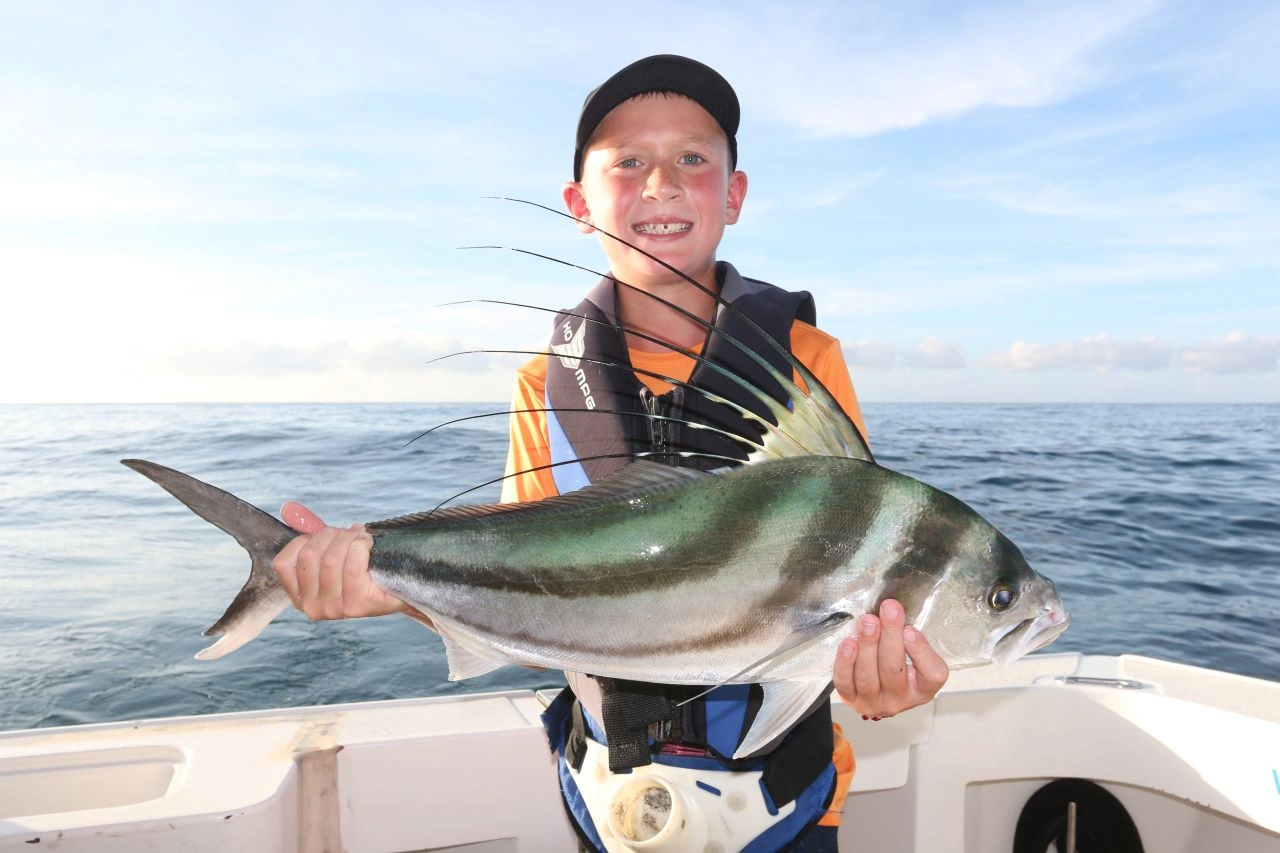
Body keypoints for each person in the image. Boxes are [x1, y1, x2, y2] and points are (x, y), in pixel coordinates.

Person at [272, 55, 949, 851]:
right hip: (608, 798)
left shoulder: (805, 362)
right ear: (579, 204)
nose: (661, 183)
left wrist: (883, 680)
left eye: (693, 159)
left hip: (788, 805)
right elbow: (535, 604)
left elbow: (849, 580)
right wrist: (387, 588)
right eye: (628, 162)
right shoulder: (543, 383)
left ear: (734, 194)